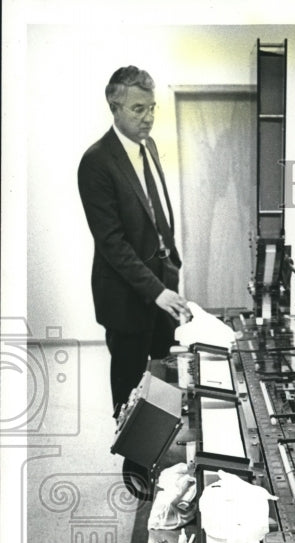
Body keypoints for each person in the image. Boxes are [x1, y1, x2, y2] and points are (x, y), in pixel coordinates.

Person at [78, 65, 192, 416]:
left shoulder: (150, 146)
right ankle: (135, 466)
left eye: (152, 107)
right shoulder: (96, 161)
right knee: (130, 388)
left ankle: (162, 455)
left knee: (164, 376)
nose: (148, 118)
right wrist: (156, 291)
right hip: (126, 297)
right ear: (114, 107)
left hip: (161, 284)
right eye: (138, 109)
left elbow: (155, 212)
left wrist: (170, 266)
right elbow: (112, 244)